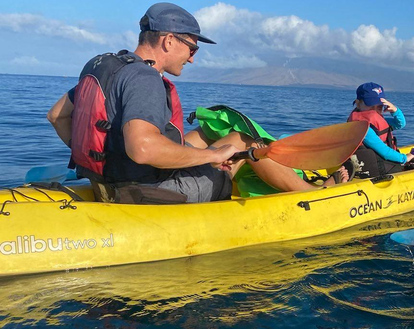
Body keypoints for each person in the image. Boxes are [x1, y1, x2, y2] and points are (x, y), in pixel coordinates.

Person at [46, 2, 346, 204]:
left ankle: (242, 152)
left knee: (237, 138)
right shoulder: (145, 78)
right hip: (146, 191)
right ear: (168, 41)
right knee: (243, 157)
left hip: (110, 179)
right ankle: (314, 194)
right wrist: (213, 158)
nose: (193, 56)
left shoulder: (106, 66)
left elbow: (57, 116)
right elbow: (143, 148)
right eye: (191, 47)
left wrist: (103, 160)